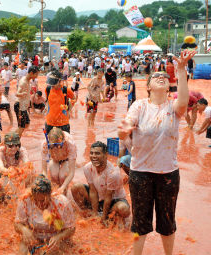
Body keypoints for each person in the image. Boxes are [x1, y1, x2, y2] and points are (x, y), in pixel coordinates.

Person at [118, 50, 196, 255]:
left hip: (168, 174)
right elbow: (127, 123)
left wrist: (181, 69)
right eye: (156, 77)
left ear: (169, 86)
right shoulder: (140, 105)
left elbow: (185, 100)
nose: (161, 77)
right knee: (140, 222)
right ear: (148, 86)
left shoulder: (174, 108)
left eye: (164, 77)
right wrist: (125, 129)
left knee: (167, 222)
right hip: (140, 172)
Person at [71, 141, 130, 224]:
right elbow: (93, 190)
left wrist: (104, 217)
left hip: (114, 201)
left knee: (124, 209)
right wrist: (95, 214)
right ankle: (89, 212)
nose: (93, 156)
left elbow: (109, 197)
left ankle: (109, 216)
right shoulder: (88, 168)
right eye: (91, 153)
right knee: (76, 188)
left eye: (97, 153)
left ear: (105, 155)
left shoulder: (113, 173)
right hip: (99, 198)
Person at [15, 175, 75, 255]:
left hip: (56, 238)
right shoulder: (25, 200)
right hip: (34, 237)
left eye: (43, 200)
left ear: (50, 194)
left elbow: (71, 229)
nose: (40, 204)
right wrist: (23, 229)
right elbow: (16, 224)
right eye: (35, 200)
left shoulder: (62, 203)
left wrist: (59, 237)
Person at [41, 127, 76, 194]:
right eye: (52, 146)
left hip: (66, 159)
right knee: (54, 175)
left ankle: (64, 195)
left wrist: (63, 187)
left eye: (59, 146)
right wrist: (47, 184)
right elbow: (44, 171)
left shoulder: (70, 143)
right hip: (54, 159)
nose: (56, 149)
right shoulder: (44, 144)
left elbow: (72, 172)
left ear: (63, 141)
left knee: (62, 177)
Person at [14, 66, 39, 137]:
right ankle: (14, 141)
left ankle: (14, 137)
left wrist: (34, 92)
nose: (37, 77)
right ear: (31, 73)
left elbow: (28, 88)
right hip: (19, 106)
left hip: (23, 107)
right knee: (21, 127)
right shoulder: (23, 82)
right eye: (36, 74)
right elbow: (17, 94)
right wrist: (22, 94)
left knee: (27, 123)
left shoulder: (28, 80)